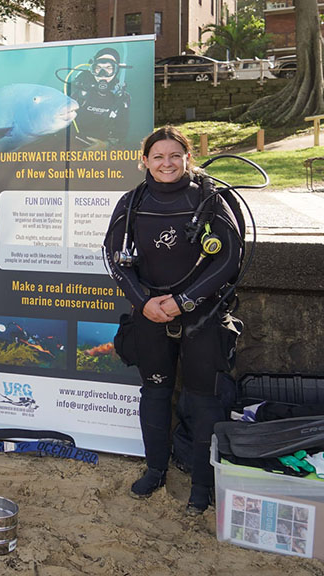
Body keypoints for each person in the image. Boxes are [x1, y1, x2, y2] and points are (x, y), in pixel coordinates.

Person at [104, 126, 242, 515]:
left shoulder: (210, 200)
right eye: (158, 156)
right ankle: (155, 470)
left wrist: (183, 301)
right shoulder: (132, 203)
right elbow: (113, 256)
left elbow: (229, 259)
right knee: (155, 391)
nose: (166, 164)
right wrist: (142, 302)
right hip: (150, 314)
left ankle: (202, 484)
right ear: (144, 160)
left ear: (187, 158)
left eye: (174, 156)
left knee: (203, 398)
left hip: (202, 315)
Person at [72, 47, 131, 148]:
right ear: (92, 69)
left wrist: (105, 145)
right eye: (98, 68)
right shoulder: (77, 88)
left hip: (100, 150)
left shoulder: (121, 98)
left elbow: (121, 132)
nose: (103, 74)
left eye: (109, 68)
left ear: (116, 70)